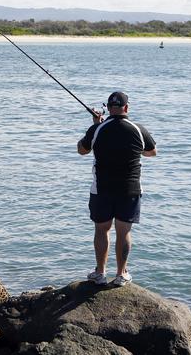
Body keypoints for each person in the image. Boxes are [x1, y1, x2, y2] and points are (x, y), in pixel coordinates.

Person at [77, 91, 157, 286]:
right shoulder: (137, 129)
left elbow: (82, 150)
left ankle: (100, 273)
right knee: (124, 232)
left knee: (102, 230)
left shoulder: (98, 129)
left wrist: (96, 126)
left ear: (109, 108)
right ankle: (121, 274)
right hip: (129, 190)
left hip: (102, 189)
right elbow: (152, 152)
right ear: (126, 108)